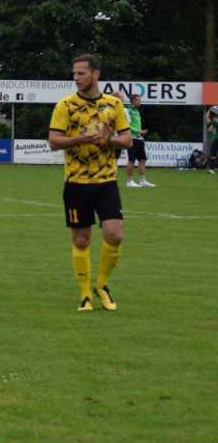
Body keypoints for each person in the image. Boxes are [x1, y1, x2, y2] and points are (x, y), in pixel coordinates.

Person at [48, 53, 132, 312]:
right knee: (82, 240)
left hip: (106, 181)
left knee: (115, 235)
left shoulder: (113, 105)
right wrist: (81, 139)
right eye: (74, 73)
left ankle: (102, 285)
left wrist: (110, 140)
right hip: (76, 182)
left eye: (81, 73)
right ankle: (85, 294)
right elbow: (53, 141)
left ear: (96, 74)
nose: (76, 78)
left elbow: (127, 140)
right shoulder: (65, 105)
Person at [123, 93, 154, 187]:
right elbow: (126, 125)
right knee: (131, 160)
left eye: (140, 100)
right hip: (131, 138)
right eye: (138, 100)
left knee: (143, 159)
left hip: (139, 138)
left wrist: (140, 132)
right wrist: (138, 131)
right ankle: (129, 181)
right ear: (133, 101)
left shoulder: (137, 111)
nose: (140, 102)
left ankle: (142, 181)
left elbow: (136, 124)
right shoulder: (128, 110)